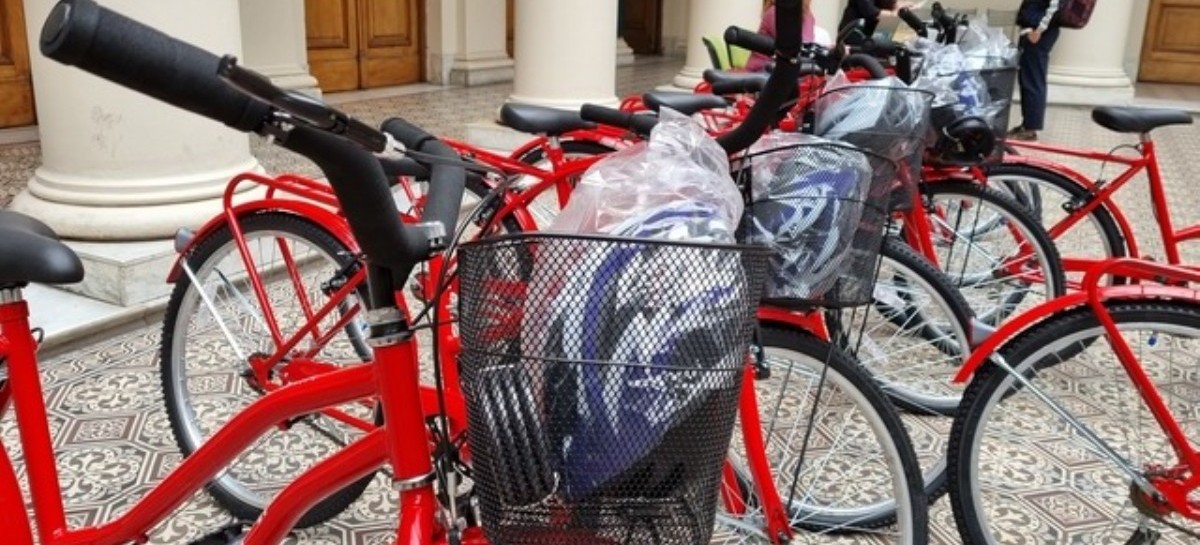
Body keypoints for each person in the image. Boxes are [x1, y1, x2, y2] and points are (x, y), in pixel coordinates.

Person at [1009, 0, 1062, 141]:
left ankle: (1030, 129)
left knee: (1033, 80)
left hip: (1038, 33)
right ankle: (1027, 125)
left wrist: (1039, 30)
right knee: (1027, 79)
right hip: (1031, 31)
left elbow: (1055, 5)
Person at [744, 0, 816, 72]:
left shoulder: (809, 17)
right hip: (761, 72)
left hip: (784, 72)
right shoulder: (774, 13)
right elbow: (793, 46)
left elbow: (805, 48)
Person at [838, 0, 910, 41]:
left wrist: (906, 6)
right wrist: (894, 14)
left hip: (868, 35)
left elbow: (889, 3)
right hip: (853, 35)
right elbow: (871, 12)